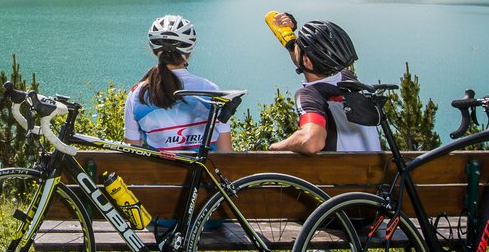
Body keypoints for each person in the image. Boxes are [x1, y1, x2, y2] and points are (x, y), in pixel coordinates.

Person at [262, 11, 381, 154]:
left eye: (297, 45)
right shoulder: (346, 78)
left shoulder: (310, 95)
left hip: (344, 175)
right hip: (375, 171)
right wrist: (290, 37)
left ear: (306, 61)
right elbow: (308, 64)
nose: (295, 45)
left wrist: (275, 147)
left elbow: (311, 141)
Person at [124, 14, 233, 153]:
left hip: (156, 174)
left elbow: (132, 153)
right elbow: (226, 152)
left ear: (154, 49)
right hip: (204, 174)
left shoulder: (138, 94)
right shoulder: (211, 91)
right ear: (189, 51)